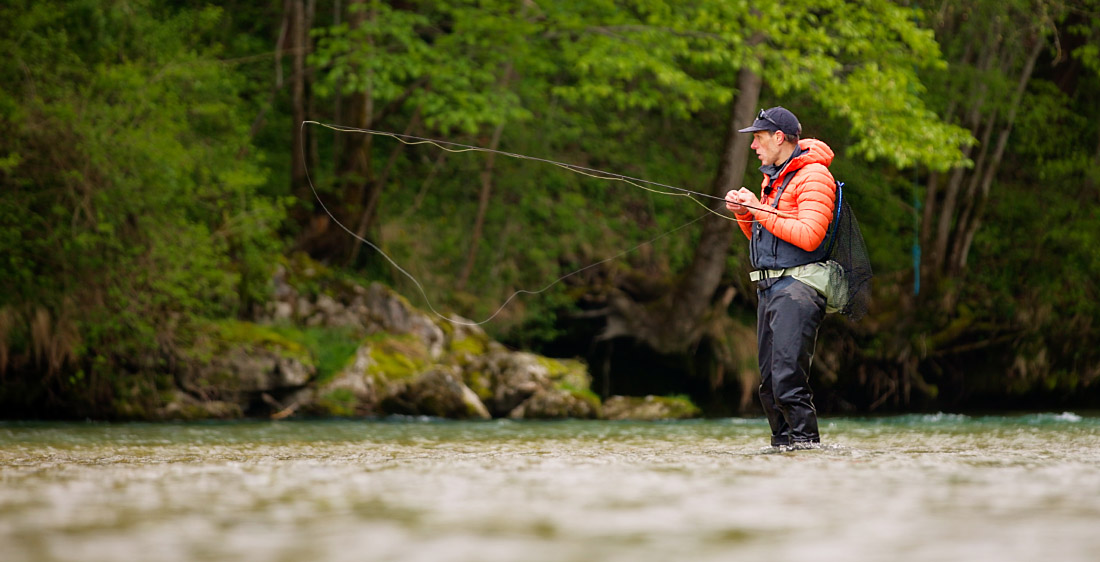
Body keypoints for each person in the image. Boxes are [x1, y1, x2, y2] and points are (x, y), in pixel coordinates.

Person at [724, 106, 837, 449]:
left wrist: (759, 209)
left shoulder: (815, 176)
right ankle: (782, 450)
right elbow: (767, 238)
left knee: (788, 381)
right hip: (771, 287)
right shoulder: (774, 176)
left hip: (800, 289)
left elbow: (808, 236)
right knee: (770, 384)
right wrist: (746, 214)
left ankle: (805, 449)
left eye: (758, 138)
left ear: (778, 137)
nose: (754, 145)